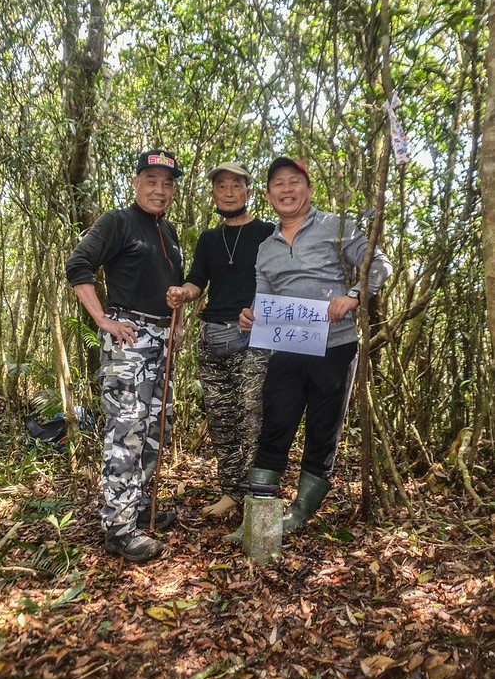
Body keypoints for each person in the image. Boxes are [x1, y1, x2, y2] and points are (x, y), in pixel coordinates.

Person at [227, 156, 392, 540]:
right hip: (285, 349)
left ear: (309, 188)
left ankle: (298, 515)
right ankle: (259, 522)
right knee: (274, 428)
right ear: (268, 196)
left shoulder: (337, 226)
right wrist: (252, 316)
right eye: (278, 184)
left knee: (322, 431)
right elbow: (262, 295)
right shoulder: (266, 247)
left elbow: (378, 264)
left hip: (334, 348)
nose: (286, 189)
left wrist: (353, 296)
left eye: (294, 181)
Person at [66, 149, 184, 563]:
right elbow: (78, 264)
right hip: (128, 337)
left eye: (167, 183)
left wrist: (178, 323)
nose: (159, 189)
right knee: (126, 431)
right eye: (151, 180)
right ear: (136, 183)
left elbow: (172, 288)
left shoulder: (167, 232)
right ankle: (118, 527)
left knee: (154, 428)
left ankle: (139, 507)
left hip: (161, 338)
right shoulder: (118, 221)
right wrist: (103, 320)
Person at [166, 162, 274, 517]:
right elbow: (198, 281)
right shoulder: (209, 239)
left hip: (254, 336)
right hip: (212, 336)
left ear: (248, 192)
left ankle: (257, 497)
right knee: (221, 419)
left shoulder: (268, 234)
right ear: (213, 194)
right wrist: (183, 292)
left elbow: (282, 282)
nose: (228, 192)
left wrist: (260, 309)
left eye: (236, 185)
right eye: (221, 186)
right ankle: (231, 492)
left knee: (251, 418)